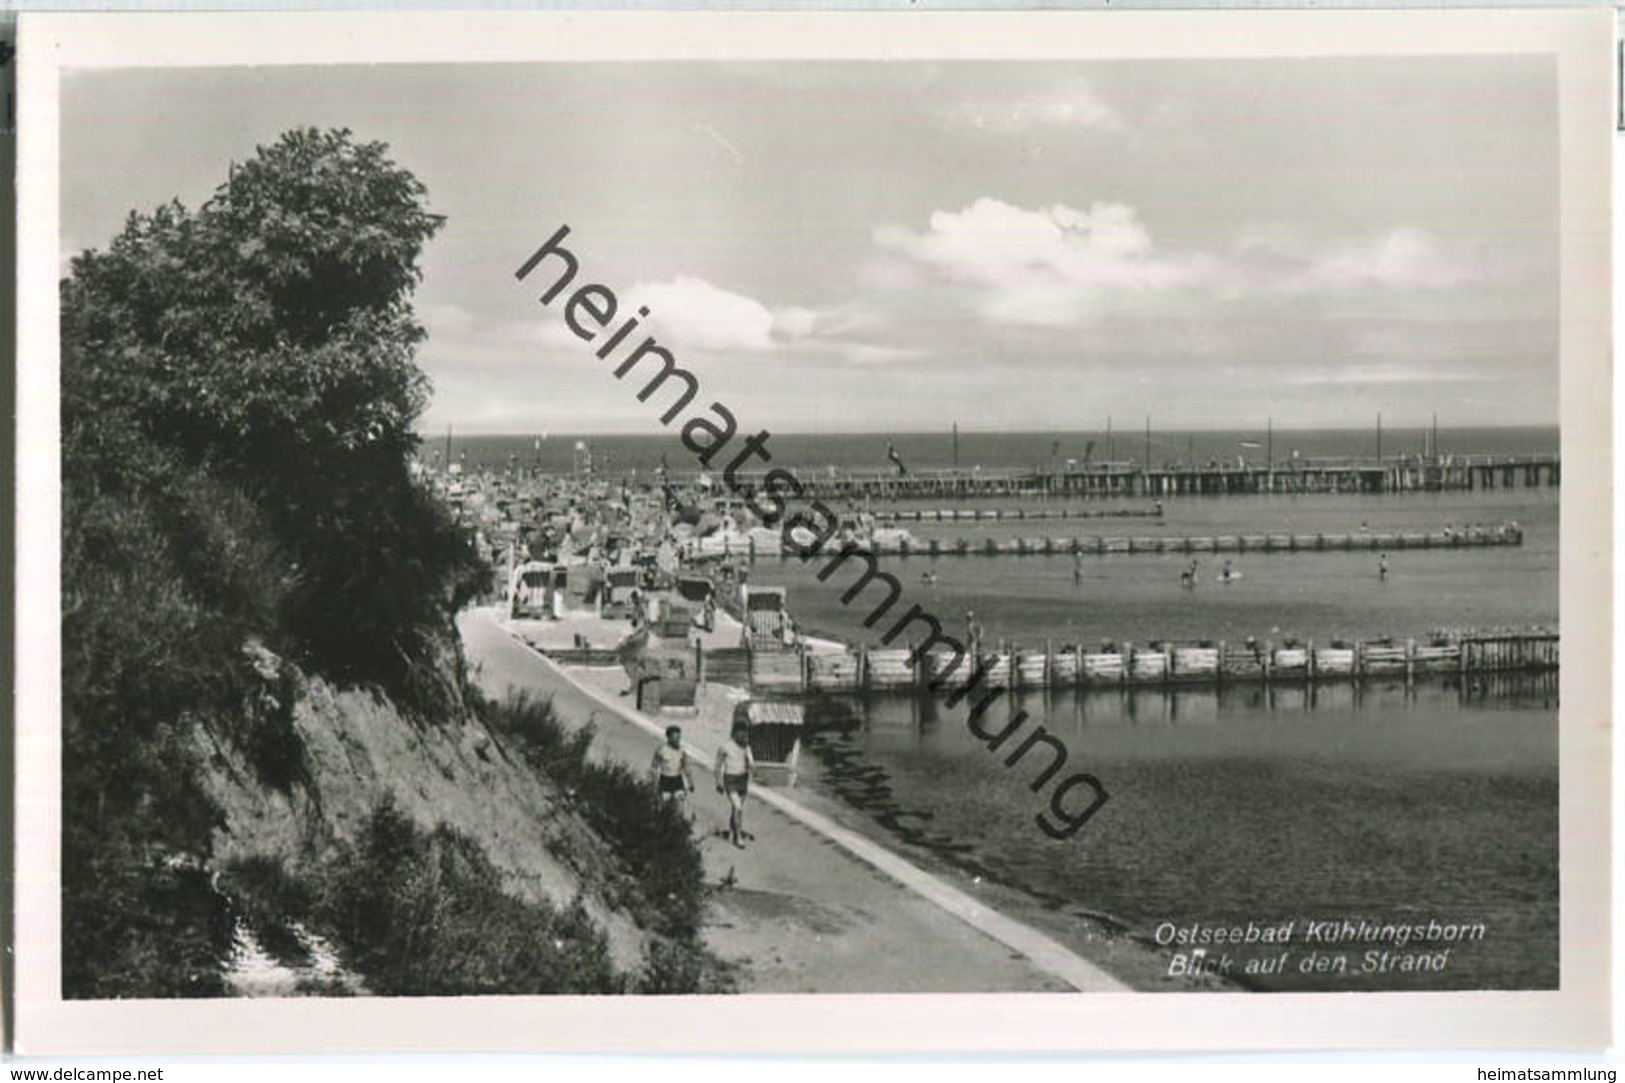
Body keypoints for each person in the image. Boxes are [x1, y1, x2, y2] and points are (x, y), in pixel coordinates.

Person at [715, 722, 756, 848]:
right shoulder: (725, 747)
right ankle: (738, 838)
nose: (744, 735)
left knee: (736, 809)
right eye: (741, 732)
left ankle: (732, 830)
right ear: (735, 733)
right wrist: (719, 782)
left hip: (743, 779)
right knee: (738, 807)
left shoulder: (746, 747)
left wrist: (753, 768)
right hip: (730, 779)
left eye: (746, 733)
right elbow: (718, 766)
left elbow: (751, 763)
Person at [651, 725, 695, 813]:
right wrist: (655, 783)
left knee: (679, 806)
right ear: (669, 737)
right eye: (675, 738)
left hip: (677, 780)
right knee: (664, 807)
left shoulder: (682, 751)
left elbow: (686, 767)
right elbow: (654, 767)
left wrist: (691, 782)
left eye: (679, 737)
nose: (677, 740)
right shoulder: (661, 750)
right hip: (665, 780)